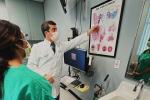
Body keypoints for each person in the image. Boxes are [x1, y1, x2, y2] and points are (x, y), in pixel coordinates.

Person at [27, 20, 99, 99]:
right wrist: (44, 75)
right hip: (44, 85)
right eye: (53, 30)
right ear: (46, 33)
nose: (56, 32)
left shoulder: (59, 45)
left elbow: (74, 42)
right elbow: (30, 65)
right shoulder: (37, 47)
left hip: (56, 86)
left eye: (56, 29)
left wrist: (89, 32)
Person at [0, 20, 54, 100]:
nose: (26, 44)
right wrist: (41, 80)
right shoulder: (35, 83)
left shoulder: (4, 72)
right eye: (23, 38)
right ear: (17, 44)